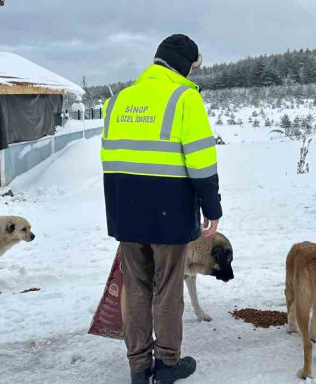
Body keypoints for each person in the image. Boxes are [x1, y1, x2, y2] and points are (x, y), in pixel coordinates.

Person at [101, 34, 223, 384]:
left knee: (136, 287)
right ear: (184, 65)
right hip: (169, 211)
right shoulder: (184, 98)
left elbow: (110, 159)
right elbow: (201, 162)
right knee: (168, 288)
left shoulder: (119, 100)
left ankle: (139, 367)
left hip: (126, 210)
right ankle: (167, 364)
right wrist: (211, 208)